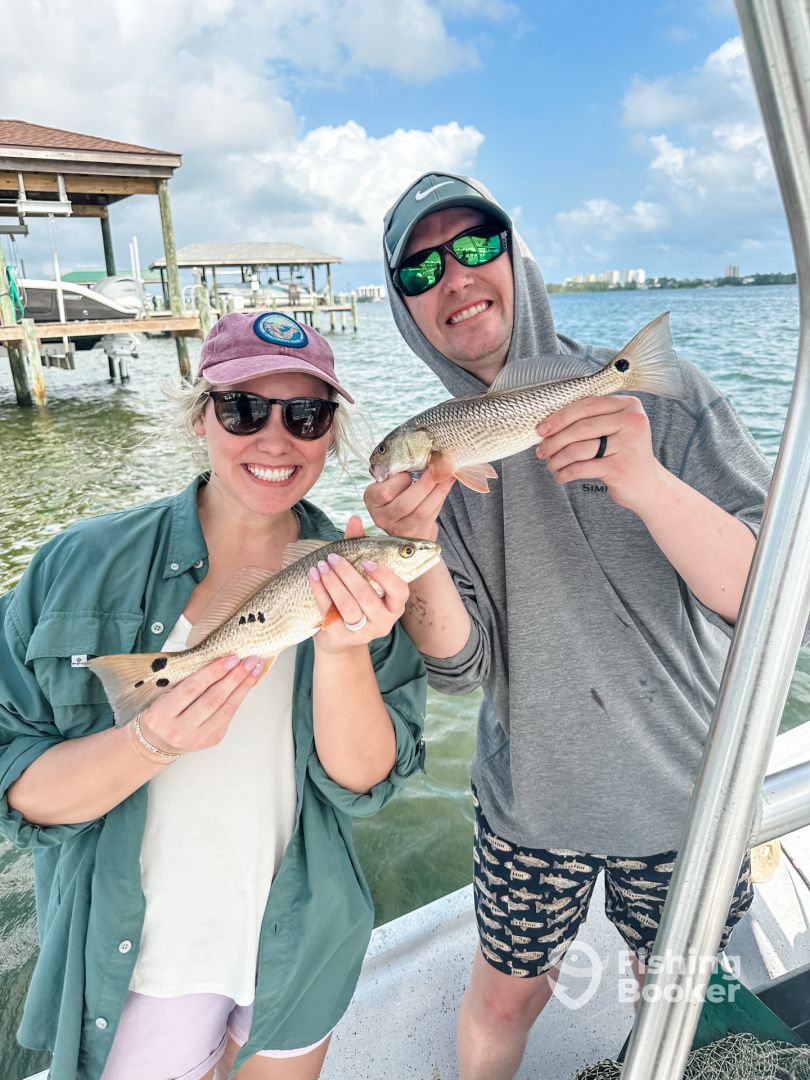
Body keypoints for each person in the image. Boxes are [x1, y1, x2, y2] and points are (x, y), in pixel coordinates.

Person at [364, 172, 772, 1080]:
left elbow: (772, 601)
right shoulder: (430, 475)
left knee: (676, 995)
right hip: (529, 800)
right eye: (421, 269)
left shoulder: (665, 395)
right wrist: (414, 554)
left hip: (686, 787)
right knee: (506, 997)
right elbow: (461, 670)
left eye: (475, 245)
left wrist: (648, 483)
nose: (454, 276)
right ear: (403, 307)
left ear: (517, 255)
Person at [0, 311, 427, 1080]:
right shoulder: (75, 563)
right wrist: (149, 742)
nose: (275, 439)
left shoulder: (362, 583)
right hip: (139, 963)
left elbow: (366, 785)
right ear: (200, 417)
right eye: (242, 409)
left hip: (299, 943)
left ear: (331, 432)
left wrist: (341, 651)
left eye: (305, 414)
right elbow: (15, 780)